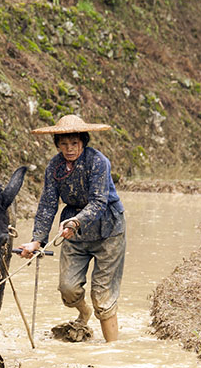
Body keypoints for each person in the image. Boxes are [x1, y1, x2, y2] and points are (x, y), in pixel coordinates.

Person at [17, 114, 126, 342]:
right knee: (68, 289)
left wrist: (75, 222)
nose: (69, 149)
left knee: (102, 295)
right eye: (64, 144)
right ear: (57, 144)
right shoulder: (54, 167)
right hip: (74, 233)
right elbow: (48, 204)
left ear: (83, 142)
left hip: (108, 230)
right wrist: (37, 240)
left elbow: (98, 202)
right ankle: (83, 312)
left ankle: (112, 352)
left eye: (74, 143)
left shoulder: (98, 162)